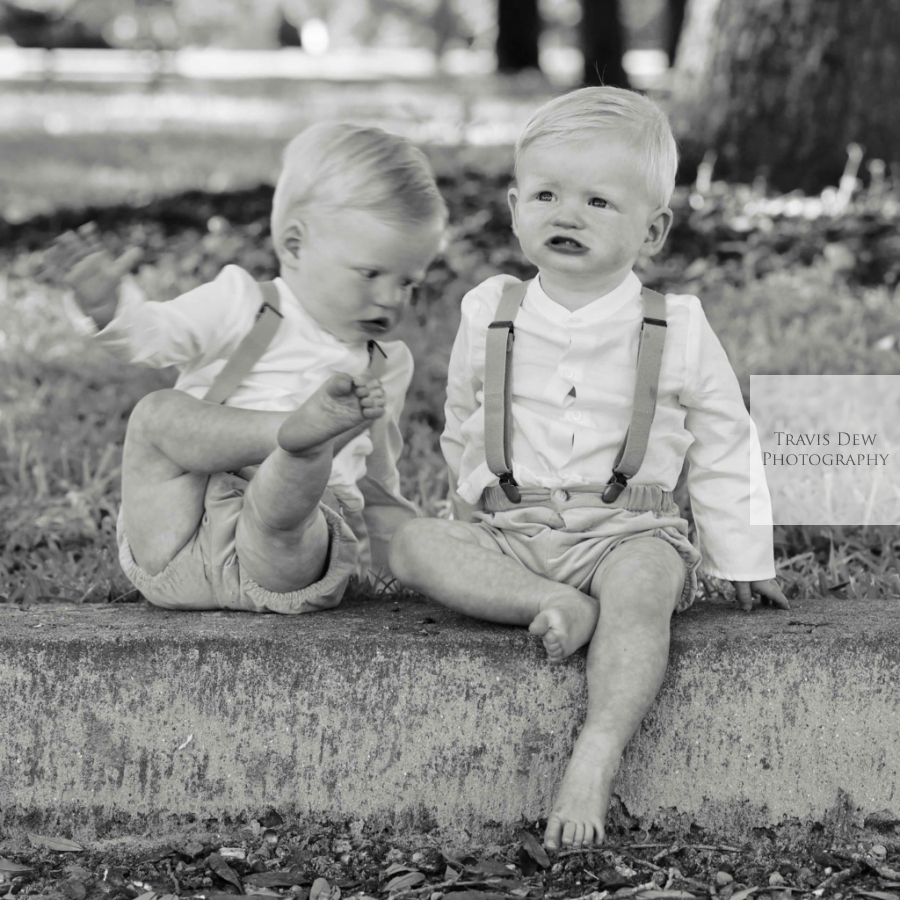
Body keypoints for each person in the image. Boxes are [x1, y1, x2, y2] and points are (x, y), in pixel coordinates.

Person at [388, 87, 789, 850]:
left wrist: (742, 557)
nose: (566, 215)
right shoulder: (489, 308)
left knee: (641, 590)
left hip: (626, 532)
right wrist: (472, 500)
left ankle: (598, 750)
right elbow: (466, 414)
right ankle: (551, 603)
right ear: (515, 208)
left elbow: (724, 439)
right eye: (546, 195)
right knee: (411, 543)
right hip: (514, 530)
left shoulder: (677, 325)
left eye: (598, 201)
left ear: (653, 229)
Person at [43, 122, 446, 614]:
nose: (389, 298)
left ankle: (299, 446)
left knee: (296, 474)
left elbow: (378, 475)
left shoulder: (386, 364)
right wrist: (109, 309)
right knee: (155, 414)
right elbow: (159, 335)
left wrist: (392, 560)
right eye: (371, 273)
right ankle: (291, 431)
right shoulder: (243, 301)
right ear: (294, 245)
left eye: (408, 283)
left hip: (283, 548)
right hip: (177, 531)